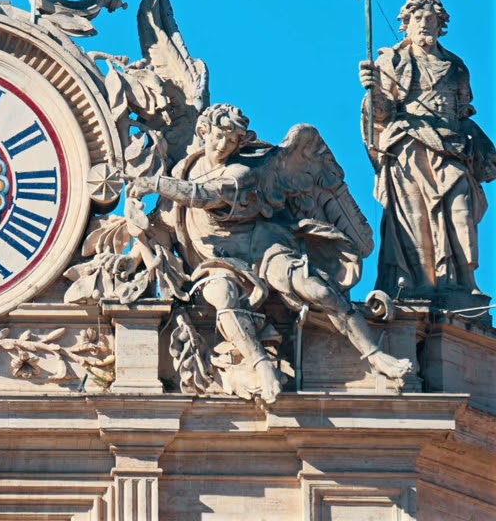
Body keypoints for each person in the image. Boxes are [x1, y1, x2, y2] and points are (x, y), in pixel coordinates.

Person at [131, 104, 413, 403]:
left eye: (233, 140)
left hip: (264, 247)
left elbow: (203, 195)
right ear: (203, 131)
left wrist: (152, 182)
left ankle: (376, 354)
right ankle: (263, 367)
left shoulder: (243, 171)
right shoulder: (185, 169)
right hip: (218, 260)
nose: (224, 145)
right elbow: (165, 221)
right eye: (219, 136)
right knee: (223, 295)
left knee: (314, 287)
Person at [360, 0, 496, 298]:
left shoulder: (456, 66)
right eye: (418, 18)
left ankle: (465, 282)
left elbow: (462, 113)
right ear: (405, 24)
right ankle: (423, 283)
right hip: (409, 148)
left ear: (440, 24)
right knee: (415, 217)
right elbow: (381, 115)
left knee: (461, 209)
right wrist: (372, 89)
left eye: (431, 19)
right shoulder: (391, 60)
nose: (425, 24)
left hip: (451, 148)